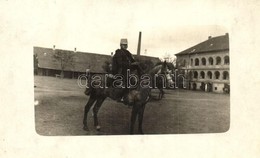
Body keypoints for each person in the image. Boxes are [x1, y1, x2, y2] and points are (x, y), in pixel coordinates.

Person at [111, 38, 140, 103]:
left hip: (127, 70)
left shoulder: (127, 53)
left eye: (126, 45)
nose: (125, 46)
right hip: (119, 70)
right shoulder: (118, 52)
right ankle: (121, 97)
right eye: (123, 45)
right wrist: (131, 64)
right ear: (120, 45)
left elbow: (133, 60)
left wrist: (137, 63)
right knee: (126, 83)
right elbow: (120, 63)